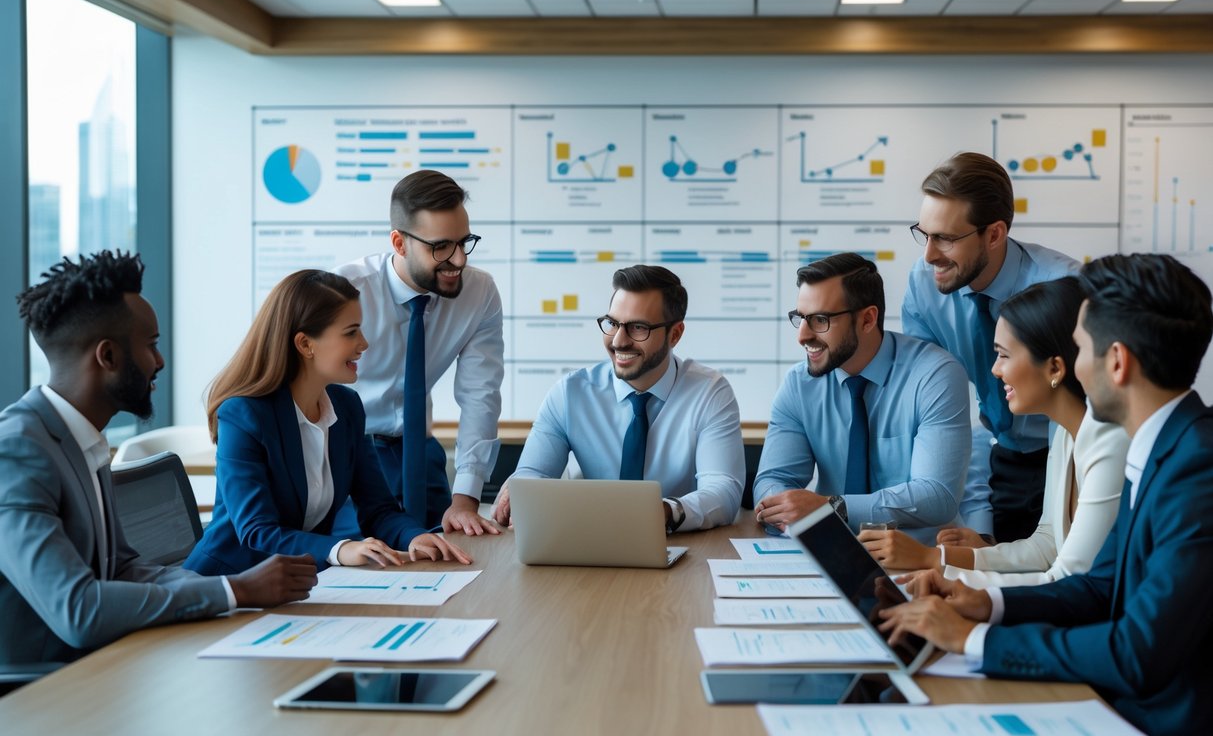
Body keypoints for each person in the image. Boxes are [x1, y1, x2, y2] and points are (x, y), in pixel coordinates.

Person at [0, 251, 316, 736]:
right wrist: (233, 592)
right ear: (108, 355)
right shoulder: (19, 451)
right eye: (151, 344)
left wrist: (237, 595)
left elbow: (122, 565)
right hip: (40, 730)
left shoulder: (79, 440)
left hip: (103, 691)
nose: (160, 360)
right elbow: (76, 607)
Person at [880, 253, 1213, 736]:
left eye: (1080, 348)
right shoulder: (1167, 447)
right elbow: (1098, 587)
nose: (1075, 365)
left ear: (1117, 362)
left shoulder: (1196, 468)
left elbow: (1136, 651)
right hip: (1119, 712)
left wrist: (972, 640)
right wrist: (984, 605)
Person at [184, 270, 470, 576]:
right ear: (305, 344)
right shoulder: (244, 415)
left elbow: (379, 509)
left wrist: (416, 536)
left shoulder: (347, 408)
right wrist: (340, 549)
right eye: (351, 332)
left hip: (293, 586)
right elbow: (257, 532)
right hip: (226, 583)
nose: (363, 343)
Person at [861, 278, 1130, 579]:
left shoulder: (1111, 442)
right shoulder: (1063, 429)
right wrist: (940, 558)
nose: (995, 370)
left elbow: (1069, 579)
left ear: (1054, 368)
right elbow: (1047, 544)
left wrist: (946, 577)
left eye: (1003, 355)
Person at [902, 152, 1080, 543]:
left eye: (945, 239)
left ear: (995, 234)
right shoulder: (925, 284)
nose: (929, 255)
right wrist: (980, 528)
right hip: (992, 456)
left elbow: (1087, 417)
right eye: (924, 234)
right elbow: (941, 412)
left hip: (1068, 460)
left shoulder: (1066, 289)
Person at [492, 264, 744, 533]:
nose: (619, 341)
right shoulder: (570, 393)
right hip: (586, 544)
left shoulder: (710, 393)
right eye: (612, 324)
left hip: (678, 548)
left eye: (638, 327)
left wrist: (666, 511)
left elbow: (724, 491)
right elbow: (533, 476)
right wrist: (521, 492)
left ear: (675, 334)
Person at [753, 253, 970, 541]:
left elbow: (937, 496)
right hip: (831, 549)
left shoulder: (935, 375)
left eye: (820, 320)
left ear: (867, 319)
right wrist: (782, 507)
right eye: (800, 318)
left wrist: (833, 507)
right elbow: (773, 479)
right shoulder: (799, 384)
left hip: (919, 559)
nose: (802, 336)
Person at [334, 169, 504, 535]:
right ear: (399, 243)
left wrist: (466, 498)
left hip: (420, 453)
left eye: (464, 242)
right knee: (357, 562)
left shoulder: (480, 293)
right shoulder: (344, 291)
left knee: (444, 552)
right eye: (441, 246)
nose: (458, 260)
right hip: (347, 452)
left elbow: (481, 394)